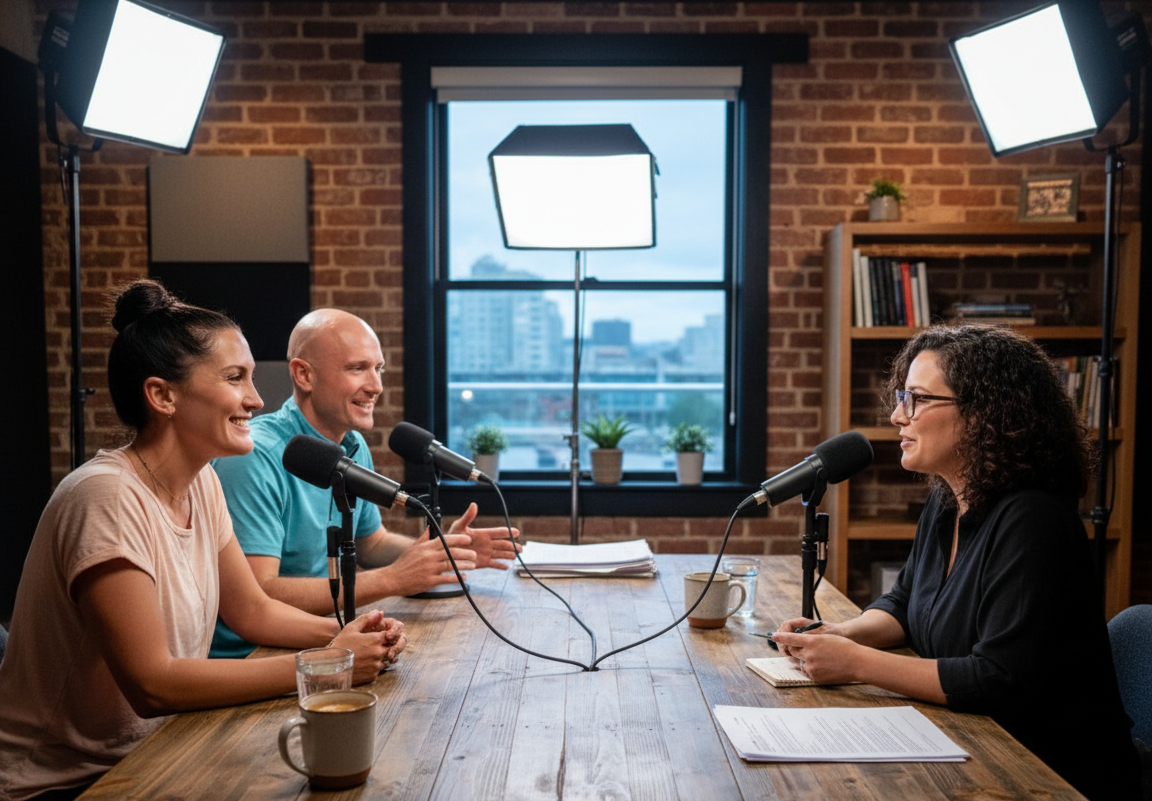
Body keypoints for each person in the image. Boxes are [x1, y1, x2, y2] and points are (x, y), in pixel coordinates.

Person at [0, 281, 406, 801]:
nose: (256, 400)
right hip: (64, 785)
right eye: (236, 378)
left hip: (159, 751)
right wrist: (330, 665)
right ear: (163, 395)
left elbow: (252, 611)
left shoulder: (203, 482)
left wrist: (349, 633)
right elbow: (153, 684)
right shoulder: (104, 496)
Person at [771, 325, 1141, 801]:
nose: (897, 415)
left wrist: (857, 663)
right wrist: (842, 634)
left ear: (984, 413)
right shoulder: (948, 500)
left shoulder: (1034, 519)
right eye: (902, 396)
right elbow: (905, 603)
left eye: (917, 399)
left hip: (1052, 774)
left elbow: (998, 679)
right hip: (975, 744)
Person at [210, 309, 519, 658]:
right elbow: (258, 594)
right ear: (304, 375)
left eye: (378, 368)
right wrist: (393, 579)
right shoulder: (254, 457)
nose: (376, 386)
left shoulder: (351, 445)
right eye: (357, 368)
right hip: (254, 656)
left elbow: (370, 544)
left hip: (324, 640)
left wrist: (442, 554)